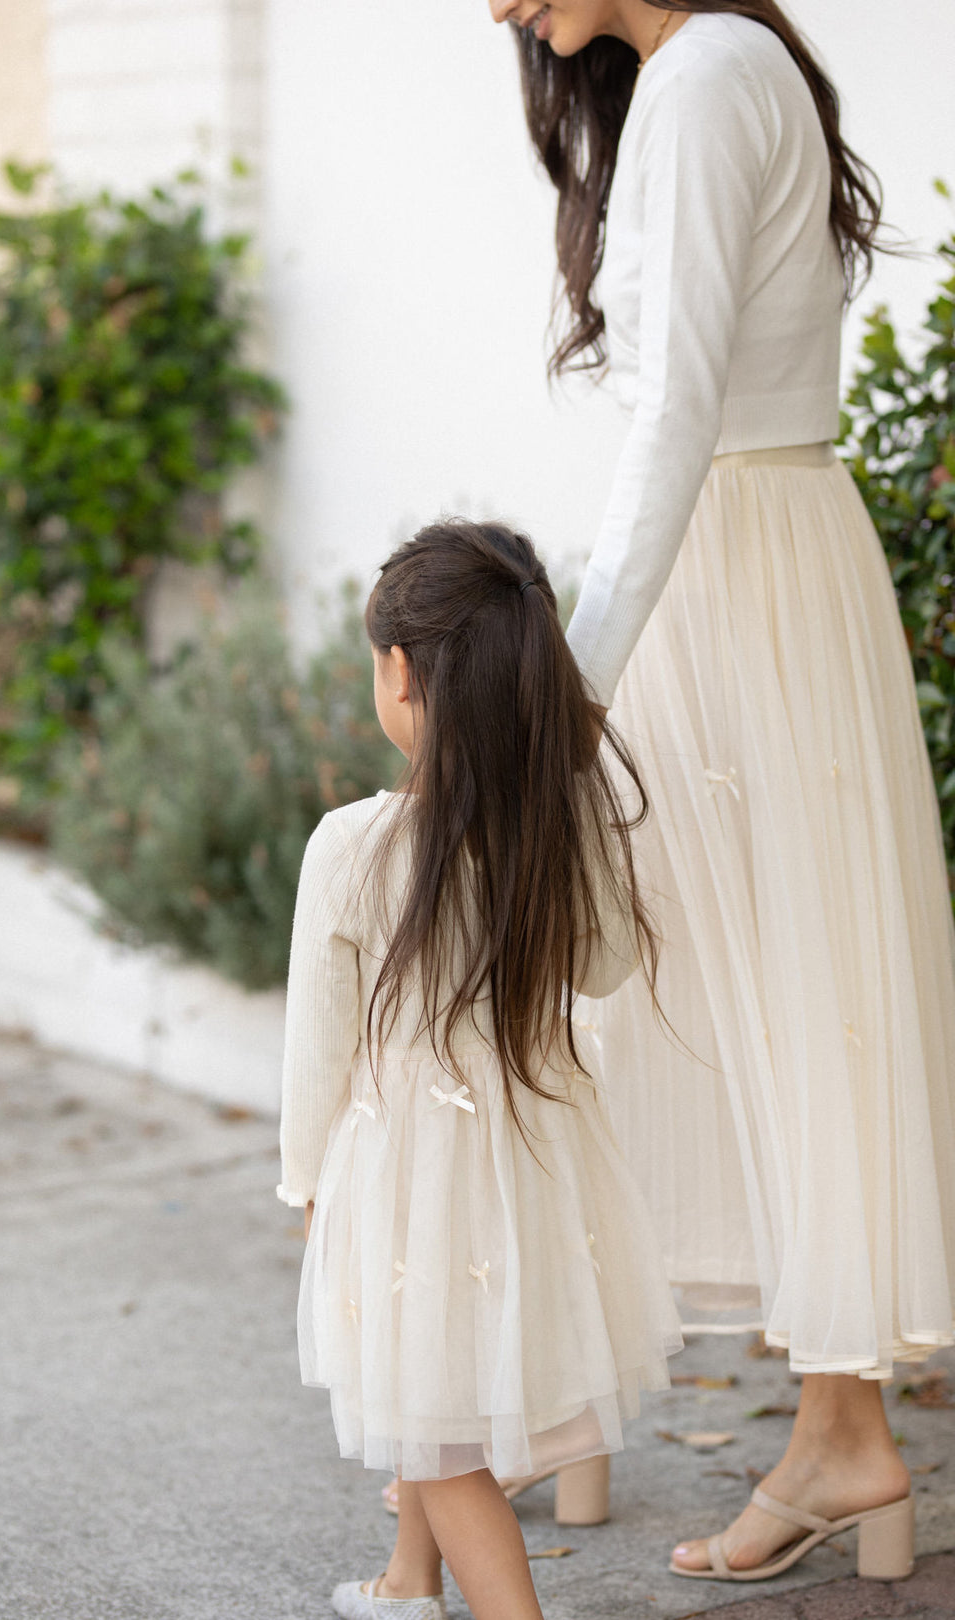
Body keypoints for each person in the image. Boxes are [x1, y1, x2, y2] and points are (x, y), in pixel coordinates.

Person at [486, 0, 955, 1585]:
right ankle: (824, 1429)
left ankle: (760, 1424)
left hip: (730, 578)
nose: (493, 8)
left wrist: (579, 673)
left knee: (700, 973)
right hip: (773, 556)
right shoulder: (725, 72)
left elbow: (673, 408)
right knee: (772, 979)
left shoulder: (700, 82)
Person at [277, 519, 682, 1620]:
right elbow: (600, 969)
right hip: (540, 1155)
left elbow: (316, 1049)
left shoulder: (353, 845)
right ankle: (409, 1583)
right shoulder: (561, 824)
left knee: (439, 1435)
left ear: (402, 675)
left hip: (407, 1167)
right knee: (436, 1378)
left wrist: (305, 1183)